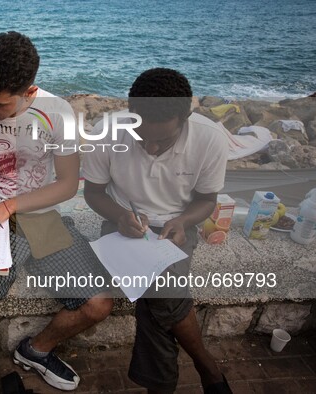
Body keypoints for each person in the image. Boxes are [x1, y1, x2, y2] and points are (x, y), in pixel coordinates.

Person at [0, 31, 114, 394]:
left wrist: (11, 205)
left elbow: (69, 184)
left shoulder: (57, 113)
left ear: (30, 92)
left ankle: (35, 350)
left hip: (43, 217)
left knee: (99, 302)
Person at [82, 68, 233, 394]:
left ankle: (166, 384)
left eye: (162, 140)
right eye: (141, 137)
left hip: (178, 225)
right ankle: (207, 366)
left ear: (185, 119)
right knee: (162, 289)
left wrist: (184, 222)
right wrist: (121, 216)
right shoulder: (106, 132)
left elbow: (207, 200)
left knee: (158, 291)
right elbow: (93, 193)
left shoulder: (210, 139)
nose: (150, 148)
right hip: (123, 221)